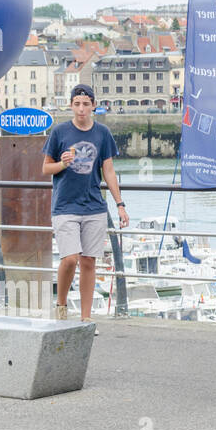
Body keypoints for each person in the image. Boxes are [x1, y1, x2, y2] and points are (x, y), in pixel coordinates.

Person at [41, 84, 126, 326]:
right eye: (77, 104)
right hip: (65, 206)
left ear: (93, 106)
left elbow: (108, 170)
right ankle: (61, 304)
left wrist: (120, 204)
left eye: (86, 104)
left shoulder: (102, 133)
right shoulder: (59, 132)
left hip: (94, 207)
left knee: (89, 261)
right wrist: (62, 164)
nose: (81, 109)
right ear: (71, 105)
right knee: (70, 259)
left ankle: (86, 318)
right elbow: (46, 168)